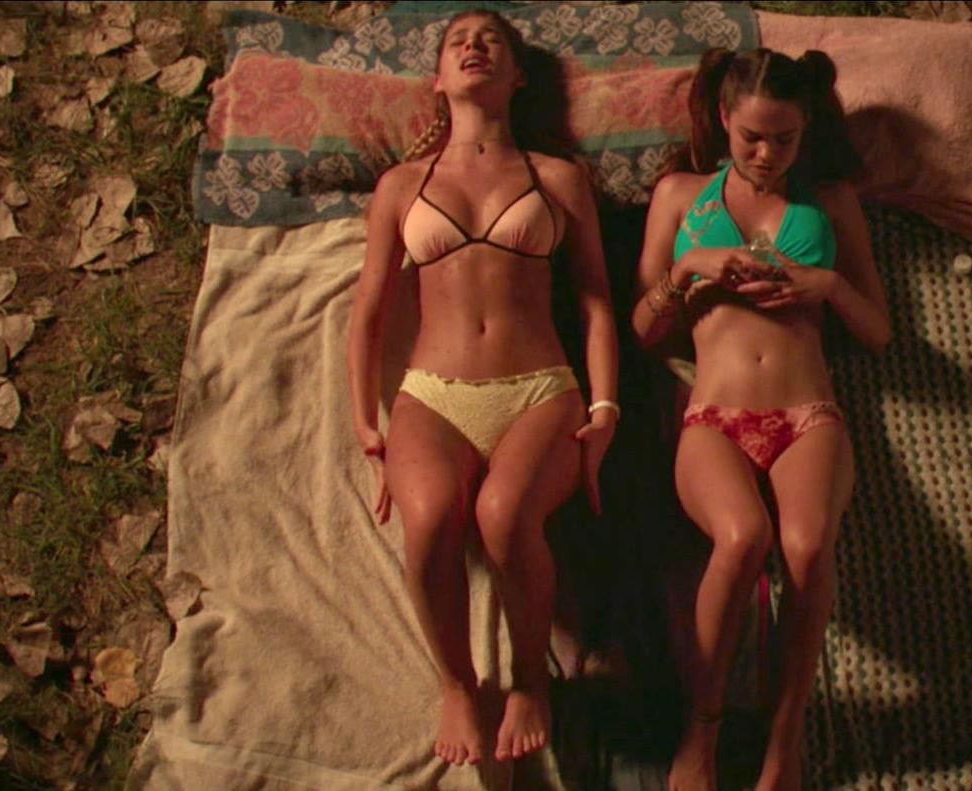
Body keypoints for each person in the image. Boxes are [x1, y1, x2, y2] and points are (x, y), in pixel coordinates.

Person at [348, 9, 619, 767]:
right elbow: (368, 312)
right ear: (438, 79)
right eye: (457, 41)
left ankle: (530, 681)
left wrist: (605, 409)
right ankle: (458, 684)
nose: (473, 46)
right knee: (431, 520)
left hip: (539, 391)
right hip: (432, 395)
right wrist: (365, 422)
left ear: (518, 77)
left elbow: (596, 301)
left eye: (491, 40)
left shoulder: (557, 178)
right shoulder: (401, 186)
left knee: (504, 516)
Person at [630, 47, 892, 790]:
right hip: (714, 415)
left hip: (807, 414)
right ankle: (702, 730)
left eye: (785, 139)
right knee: (743, 536)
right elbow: (642, 330)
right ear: (723, 118)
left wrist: (826, 284)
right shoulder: (681, 196)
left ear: (806, 131)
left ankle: (784, 741)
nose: (767, 154)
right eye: (752, 137)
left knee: (806, 548)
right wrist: (689, 269)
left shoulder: (831, 201)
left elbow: (878, 332)